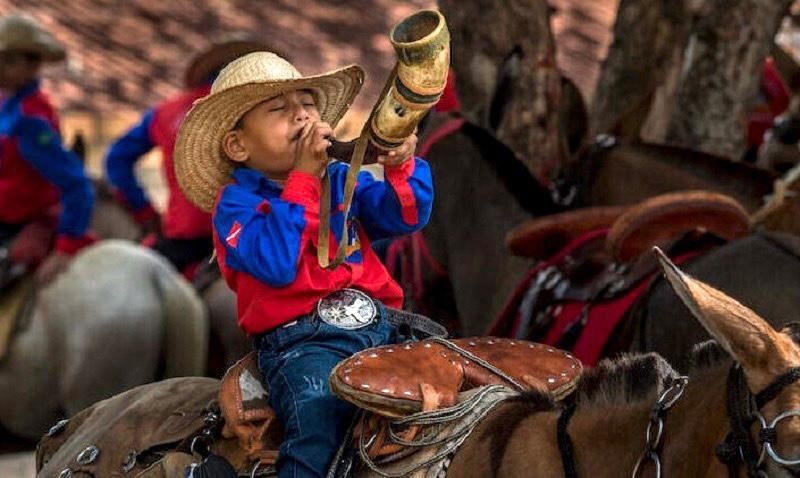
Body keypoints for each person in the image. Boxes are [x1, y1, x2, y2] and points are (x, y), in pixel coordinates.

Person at [174, 51, 434, 477]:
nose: (301, 116)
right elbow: (277, 263)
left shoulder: (339, 178)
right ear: (238, 144)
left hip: (385, 325)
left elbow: (406, 216)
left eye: (308, 104)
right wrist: (304, 181)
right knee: (317, 430)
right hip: (303, 344)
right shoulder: (235, 205)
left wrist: (401, 164)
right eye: (279, 109)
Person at [104, 37, 269, 274]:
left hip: (187, 235)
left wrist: (145, 212)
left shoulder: (166, 112)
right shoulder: (262, 108)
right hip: (255, 230)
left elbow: (116, 160)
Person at [0, 14, 95, 284]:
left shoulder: (29, 119)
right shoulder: (9, 106)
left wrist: (67, 246)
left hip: (19, 221)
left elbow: (76, 182)